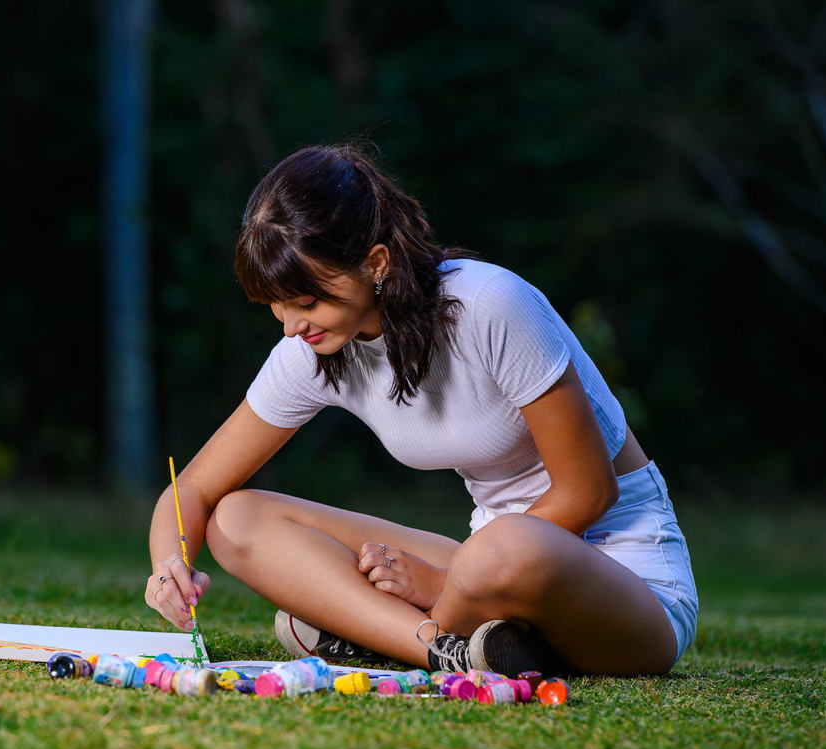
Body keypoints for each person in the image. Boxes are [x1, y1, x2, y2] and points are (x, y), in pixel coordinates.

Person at [144, 144, 698, 677]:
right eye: (276, 306)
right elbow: (191, 489)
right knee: (237, 519)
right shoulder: (313, 351)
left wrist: (443, 582)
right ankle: (446, 649)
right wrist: (170, 564)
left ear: (376, 263)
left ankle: (374, 634)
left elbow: (588, 491)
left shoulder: (490, 306)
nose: (291, 325)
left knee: (504, 546)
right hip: (483, 574)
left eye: (307, 302)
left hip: (623, 580)